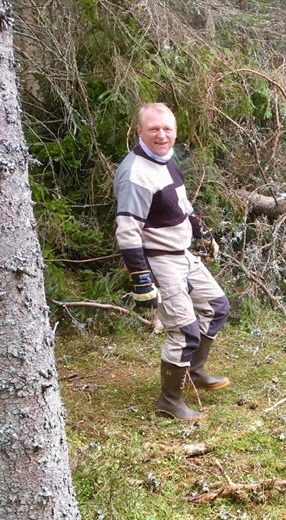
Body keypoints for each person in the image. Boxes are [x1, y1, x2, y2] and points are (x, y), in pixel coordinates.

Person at [114, 102, 230, 422]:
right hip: (160, 260)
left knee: (217, 307)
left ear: (175, 132)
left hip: (183, 254)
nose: (162, 135)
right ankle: (170, 400)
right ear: (139, 132)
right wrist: (141, 277)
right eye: (153, 129)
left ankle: (192, 371)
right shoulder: (135, 173)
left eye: (168, 129)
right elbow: (127, 232)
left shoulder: (165, 160)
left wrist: (202, 233)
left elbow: (183, 205)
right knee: (184, 332)